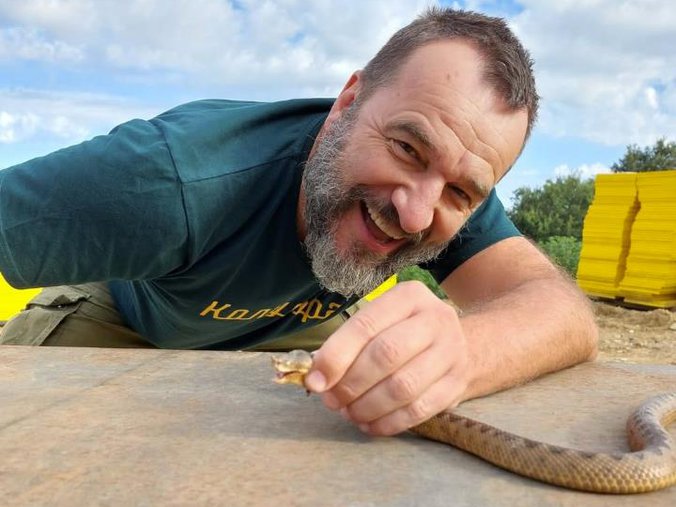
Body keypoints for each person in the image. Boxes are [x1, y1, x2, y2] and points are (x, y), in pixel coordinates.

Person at [0, 8, 597, 436]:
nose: (416, 213)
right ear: (347, 104)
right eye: (406, 149)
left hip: (290, 331)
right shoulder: (167, 181)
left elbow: (562, 311)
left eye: (460, 190)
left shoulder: (447, 181)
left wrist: (465, 352)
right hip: (131, 314)